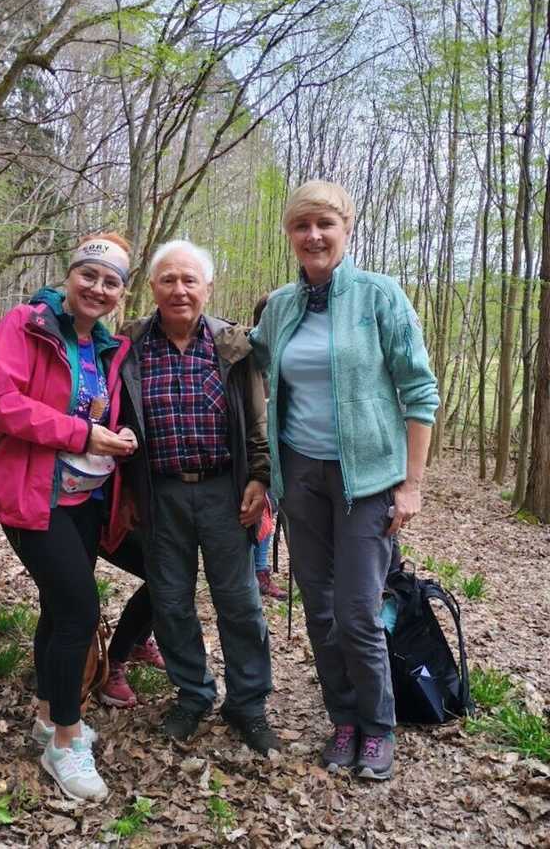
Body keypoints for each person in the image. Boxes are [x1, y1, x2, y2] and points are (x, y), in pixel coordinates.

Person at [250, 181, 439, 780]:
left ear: (347, 227)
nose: (313, 236)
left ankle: (379, 727)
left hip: (368, 481)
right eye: (302, 225)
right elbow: (248, 354)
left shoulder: (380, 296)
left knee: (358, 611)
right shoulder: (281, 305)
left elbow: (420, 391)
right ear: (290, 234)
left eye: (324, 224)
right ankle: (345, 719)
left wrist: (411, 484)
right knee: (321, 611)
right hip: (300, 474)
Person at [0, 233, 138, 800]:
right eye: (89, 274)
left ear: (120, 292)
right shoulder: (25, 323)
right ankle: (65, 742)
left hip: (85, 498)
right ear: (70, 275)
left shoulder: (107, 348)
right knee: (78, 610)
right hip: (29, 493)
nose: (98, 288)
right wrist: (83, 431)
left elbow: (100, 416)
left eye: (111, 281)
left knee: (58, 607)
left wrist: (116, 434)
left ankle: (48, 710)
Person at [112, 239, 281, 755]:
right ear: (153, 288)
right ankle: (192, 694)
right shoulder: (130, 344)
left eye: (190, 280)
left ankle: (248, 705)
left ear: (207, 287)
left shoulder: (233, 345)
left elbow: (258, 421)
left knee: (239, 603)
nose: (179, 290)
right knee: (171, 602)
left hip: (225, 492)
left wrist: (260, 478)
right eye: (168, 280)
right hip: (160, 494)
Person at [98, 531, 166, 708]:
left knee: (167, 574)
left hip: (144, 520)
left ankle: (139, 644)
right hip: (100, 520)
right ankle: (113, 663)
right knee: (163, 573)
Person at [251, 293, 286, 601]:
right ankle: (257, 570)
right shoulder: (250, 356)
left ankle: (260, 570)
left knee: (270, 509)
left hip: (285, 446)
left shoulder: (287, 353)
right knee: (261, 508)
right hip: (255, 448)